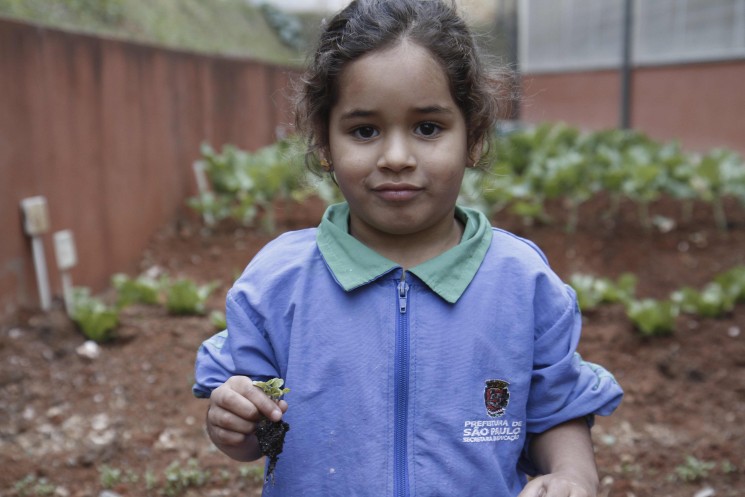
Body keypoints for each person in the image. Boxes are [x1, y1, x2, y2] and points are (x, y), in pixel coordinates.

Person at [193, 0, 623, 495]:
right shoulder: (277, 282)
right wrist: (233, 419)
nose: (396, 157)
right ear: (326, 145)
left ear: (474, 137)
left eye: (427, 128)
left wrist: (572, 474)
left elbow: (557, 412)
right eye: (365, 131)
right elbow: (251, 428)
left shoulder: (521, 282)